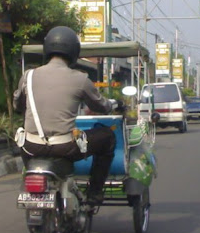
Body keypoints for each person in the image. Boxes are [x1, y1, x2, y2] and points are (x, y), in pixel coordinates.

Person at [13, 26, 123, 205]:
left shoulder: (28, 76)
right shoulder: (80, 79)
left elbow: (18, 105)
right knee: (107, 137)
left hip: (31, 147)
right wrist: (115, 104)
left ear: (47, 48)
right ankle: (94, 192)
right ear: (73, 51)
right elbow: (102, 107)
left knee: (23, 140)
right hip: (64, 147)